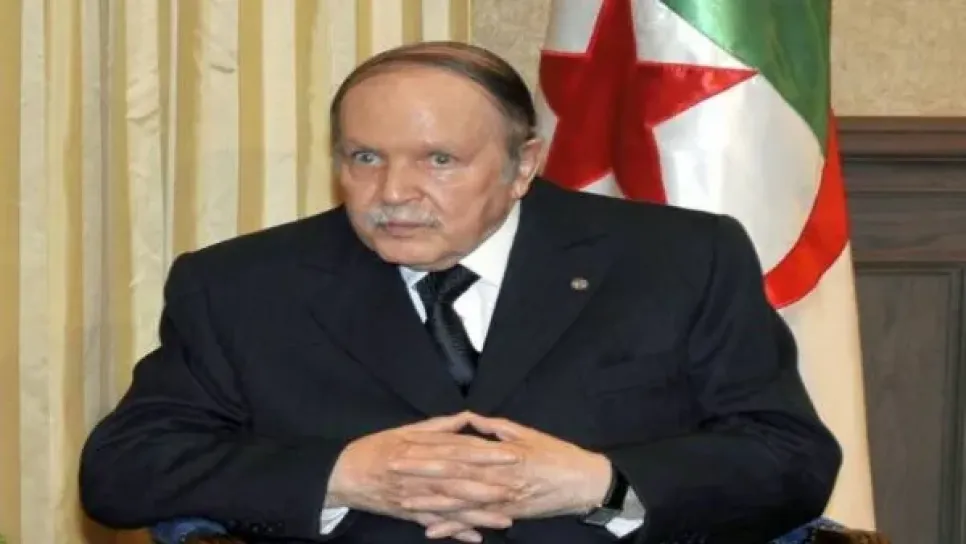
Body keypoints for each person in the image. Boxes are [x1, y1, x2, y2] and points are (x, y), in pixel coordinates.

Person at [79, 41, 842, 544]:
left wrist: (601, 484)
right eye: (364, 157)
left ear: (521, 166)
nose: (393, 192)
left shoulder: (676, 260)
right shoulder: (245, 285)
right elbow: (124, 470)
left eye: (438, 160)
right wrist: (344, 476)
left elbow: (790, 460)